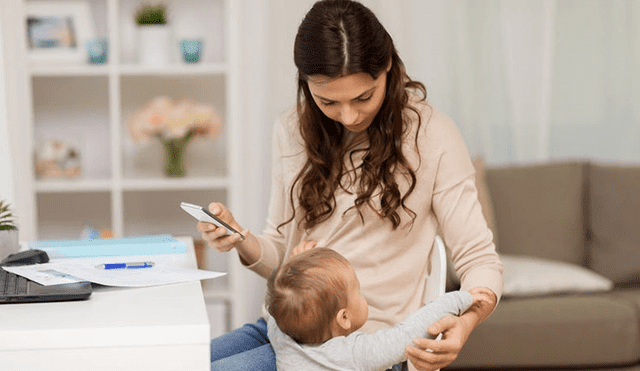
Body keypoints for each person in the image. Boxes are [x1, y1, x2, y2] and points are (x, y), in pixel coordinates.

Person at [199, 1, 503, 370]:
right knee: (166, 360)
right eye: (328, 100)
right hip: (283, 330)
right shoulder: (292, 130)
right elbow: (281, 258)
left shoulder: (432, 135)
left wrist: (466, 322)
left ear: (388, 68)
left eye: (363, 97)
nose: (349, 116)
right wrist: (239, 238)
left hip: (363, 347)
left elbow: (480, 259)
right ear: (305, 83)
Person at [266, 247, 482, 371]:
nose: (363, 294)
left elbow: (278, 309)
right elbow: (406, 336)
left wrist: (295, 266)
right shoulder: (353, 354)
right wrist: (459, 299)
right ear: (344, 318)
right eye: (358, 291)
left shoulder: (283, 339)